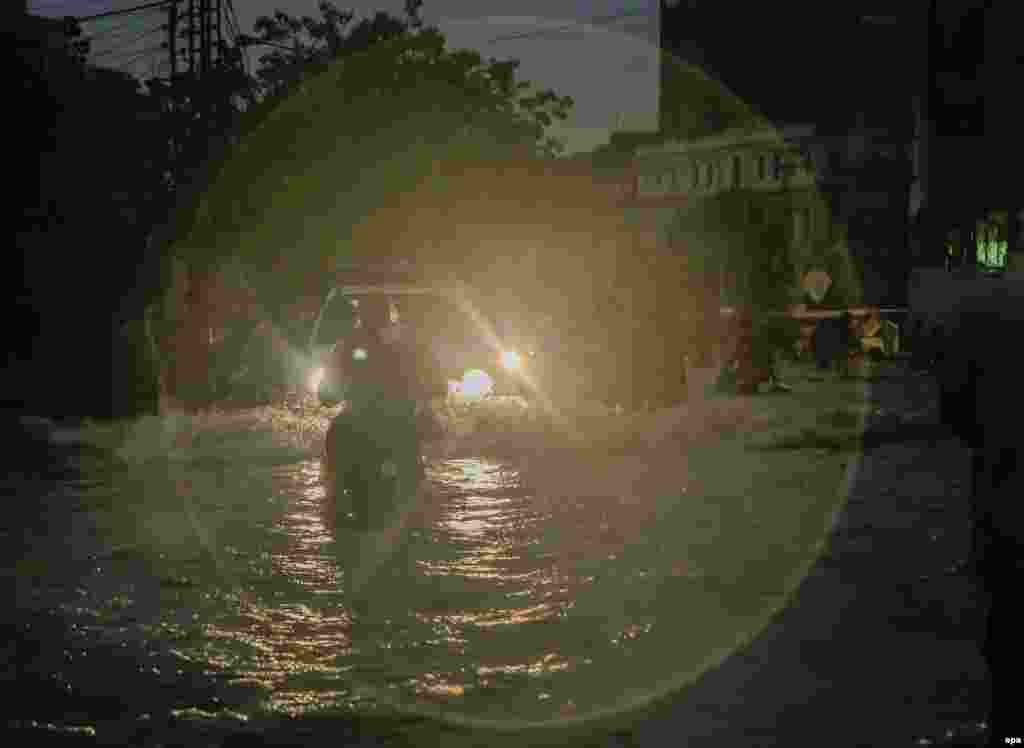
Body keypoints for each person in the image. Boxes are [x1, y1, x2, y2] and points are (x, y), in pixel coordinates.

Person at [322, 295, 446, 525]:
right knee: (419, 502)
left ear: (359, 316)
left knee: (335, 499)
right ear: (390, 316)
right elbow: (439, 387)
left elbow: (326, 397)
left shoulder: (344, 346)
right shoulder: (412, 345)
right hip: (398, 431)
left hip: (356, 430)